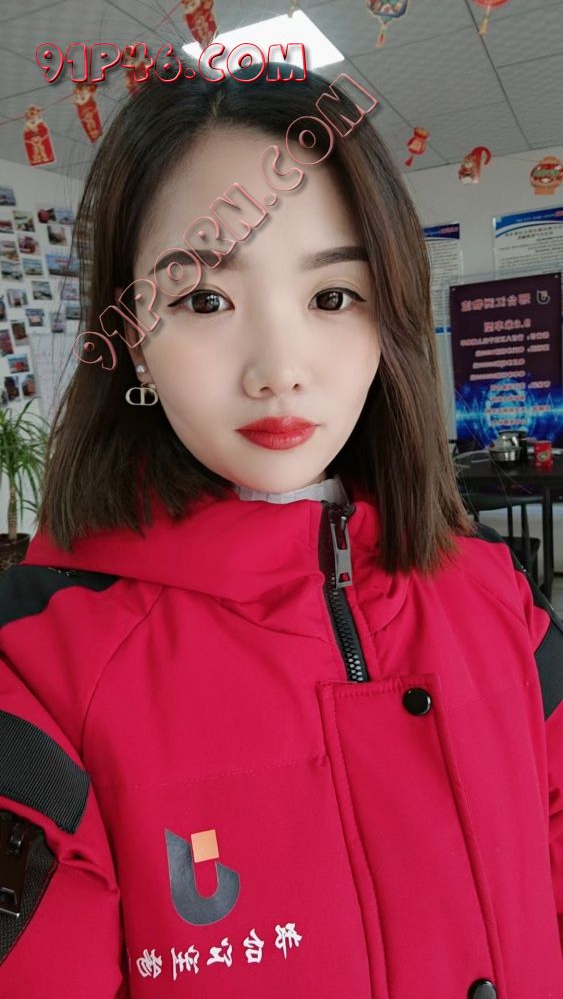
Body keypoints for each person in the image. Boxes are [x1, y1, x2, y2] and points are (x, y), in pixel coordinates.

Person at [0, 59, 562, 999]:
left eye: (332, 297)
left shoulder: (499, 601)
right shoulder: (40, 667)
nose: (278, 370)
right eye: (204, 299)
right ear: (131, 336)